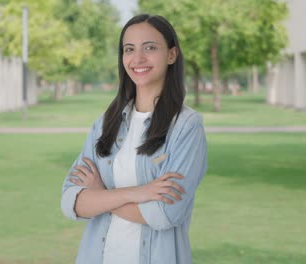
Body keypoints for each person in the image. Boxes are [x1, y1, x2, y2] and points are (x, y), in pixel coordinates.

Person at [61, 14, 207, 264]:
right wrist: (139, 193)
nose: (137, 58)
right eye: (129, 49)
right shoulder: (107, 123)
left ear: (171, 55)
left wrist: (101, 195)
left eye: (149, 47)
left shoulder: (186, 127)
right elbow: (71, 201)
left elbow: (166, 213)